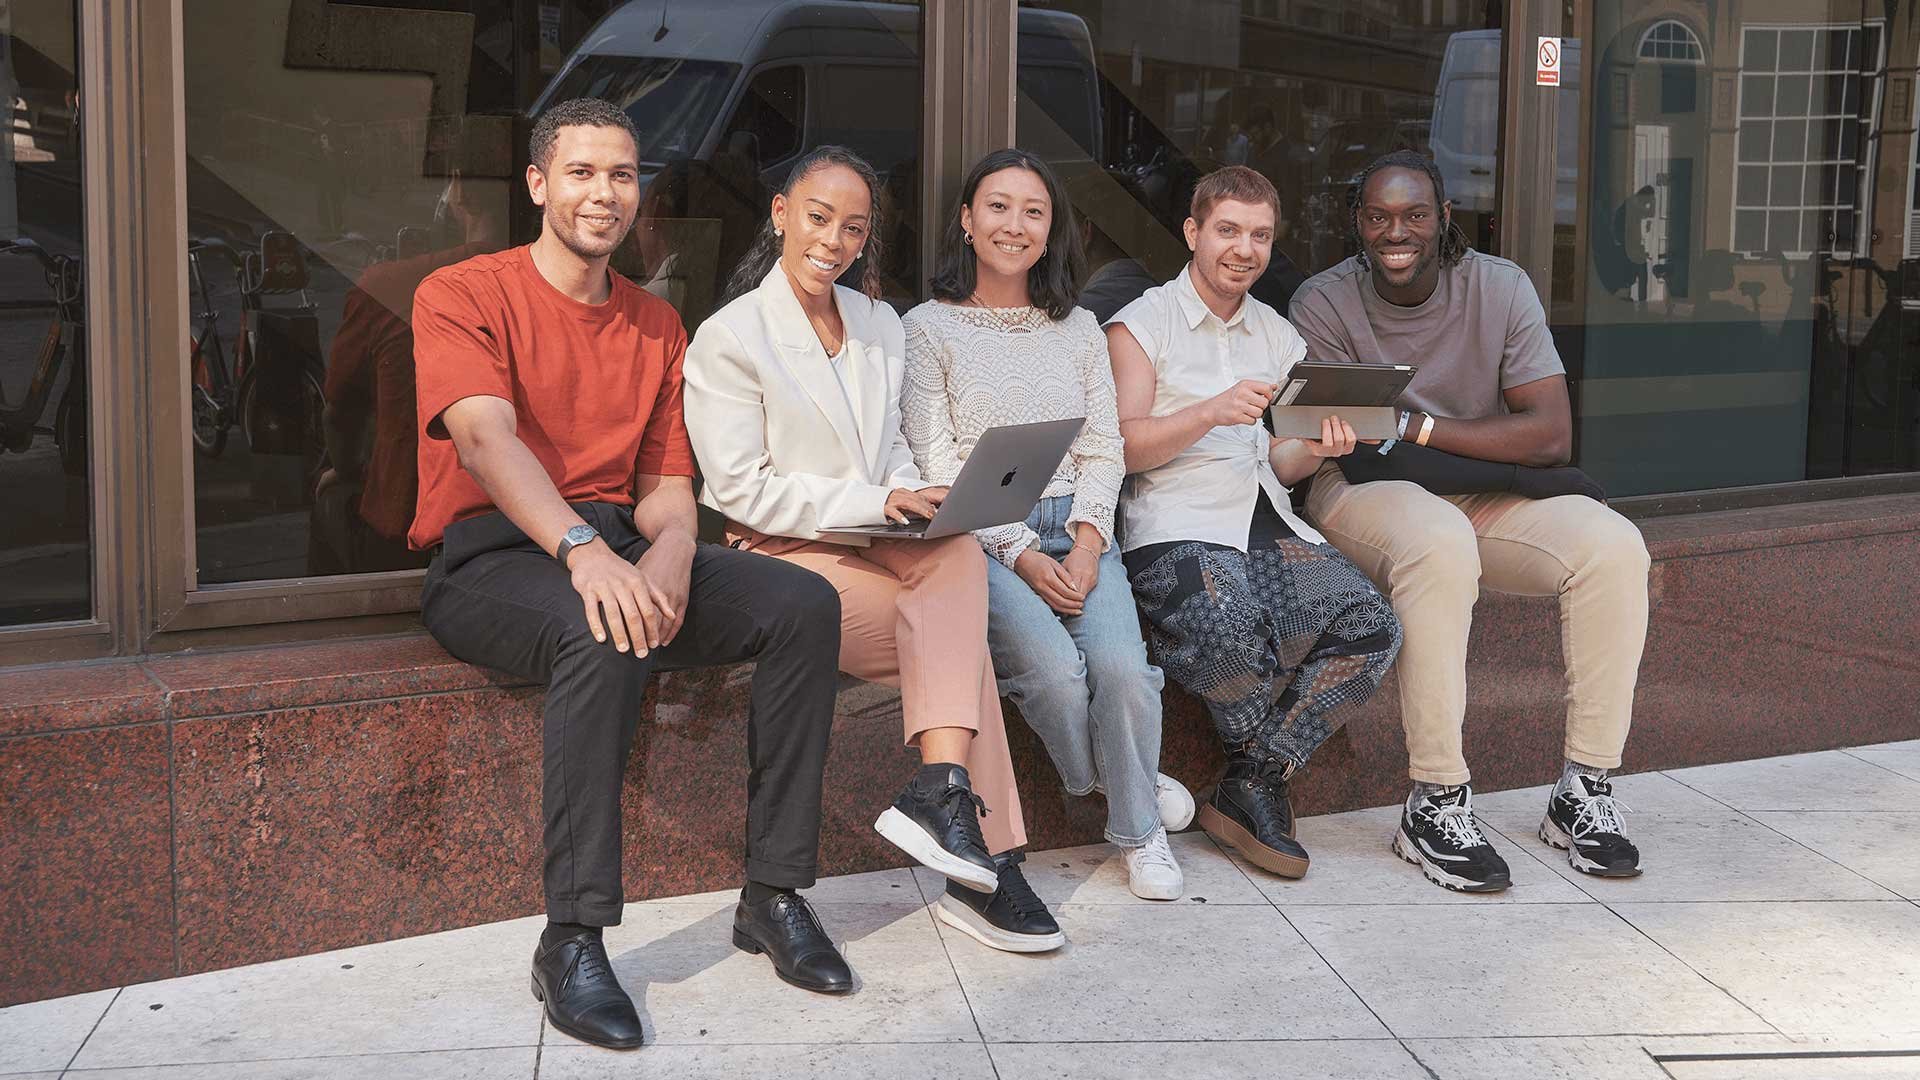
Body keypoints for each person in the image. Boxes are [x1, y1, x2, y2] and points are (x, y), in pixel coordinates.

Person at [410, 99, 851, 1051]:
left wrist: (678, 554)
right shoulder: (463, 293)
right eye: (582, 172)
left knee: (803, 605)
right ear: (538, 184)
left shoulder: (656, 323)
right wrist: (587, 555)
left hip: (618, 543)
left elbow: (665, 485)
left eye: (622, 174)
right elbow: (485, 442)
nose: (605, 194)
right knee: (599, 624)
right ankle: (571, 939)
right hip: (494, 553)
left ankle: (773, 894)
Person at [683, 145, 1065, 954]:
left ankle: (944, 793)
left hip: (876, 535)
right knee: (960, 649)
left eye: (853, 228)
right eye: (818, 218)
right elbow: (741, 489)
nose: (833, 241)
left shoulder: (878, 323)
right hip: (779, 556)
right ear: (782, 213)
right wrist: (875, 500)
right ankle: (990, 862)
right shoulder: (729, 337)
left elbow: (889, 445)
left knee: (957, 553)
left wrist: (913, 494)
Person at [1290, 149, 1650, 892]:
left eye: (1415, 215)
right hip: (1362, 489)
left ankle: (1584, 789)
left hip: (1476, 490)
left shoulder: (1498, 285)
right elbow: (1343, 438)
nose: (1398, 231)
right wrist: (1450, 434)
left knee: (1614, 546)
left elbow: (1549, 433)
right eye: (1380, 216)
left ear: (1443, 218)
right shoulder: (1323, 302)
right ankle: (1436, 798)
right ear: (1358, 224)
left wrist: (1416, 427)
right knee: (1437, 540)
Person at [902, 148, 1191, 901]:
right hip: (980, 537)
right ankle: (1125, 773)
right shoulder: (926, 329)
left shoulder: (1079, 327)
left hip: (1083, 522)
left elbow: (1103, 445)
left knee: (1125, 669)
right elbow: (939, 465)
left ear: (1052, 229)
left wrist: (1091, 543)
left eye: (1034, 211)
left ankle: (1139, 833)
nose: (1014, 225)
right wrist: (1024, 554)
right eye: (997, 207)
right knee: (1058, 677)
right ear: (966, 222)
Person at [1105, 165, 1403, 880]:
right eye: (1228, 231)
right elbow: (1119, 446)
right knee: (1232, 630)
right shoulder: (1142, 324)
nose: (1244, 249)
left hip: (1260, 516)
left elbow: (1282, 459)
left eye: (1261, 236)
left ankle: (1255, 774)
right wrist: (1209, 410)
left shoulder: (1276, 333)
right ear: (1193, 232)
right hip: (1173, 523)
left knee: (1372, 624)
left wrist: (1321, 446)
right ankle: (1255, 783)